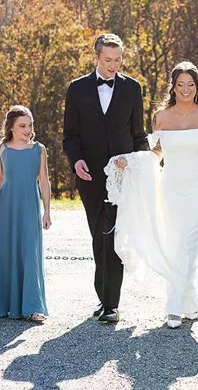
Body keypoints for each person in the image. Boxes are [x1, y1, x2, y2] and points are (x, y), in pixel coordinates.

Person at [106, 61, 198, 328]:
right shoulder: (162, 117)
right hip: (171, 187)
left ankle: (173, 306)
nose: (186, 89)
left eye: (191, 84)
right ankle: (189, 302)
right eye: (180, 84)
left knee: (189, 244)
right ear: (172, 87)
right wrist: (132, 161)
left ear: (197, 86)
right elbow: (156, 154)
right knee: (176, 244)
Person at [62, 33, 147, 323]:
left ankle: (111, 304)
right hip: (90, 177)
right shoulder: (77, 89)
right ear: (96, 57)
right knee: (99, 236)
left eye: (118, 60)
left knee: (116, 235)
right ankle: (103, 298)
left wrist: (140, 163)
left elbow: (138, 134)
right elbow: (70, 136)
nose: (113, 65)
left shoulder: (133, 88)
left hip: (124, 176)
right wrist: (77, 161)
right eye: (108, 60)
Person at [0, 105, 52, 322]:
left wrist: (47, 211)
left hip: (28, 206)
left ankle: (33, 306)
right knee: (7, 251)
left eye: (30, 125)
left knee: (30, 252)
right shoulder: (1, 149)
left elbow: (43, 181)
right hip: (6, 206)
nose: (28, 130)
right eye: (22, 126)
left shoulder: (39, 149)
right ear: (11, 127)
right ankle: (7, 306)